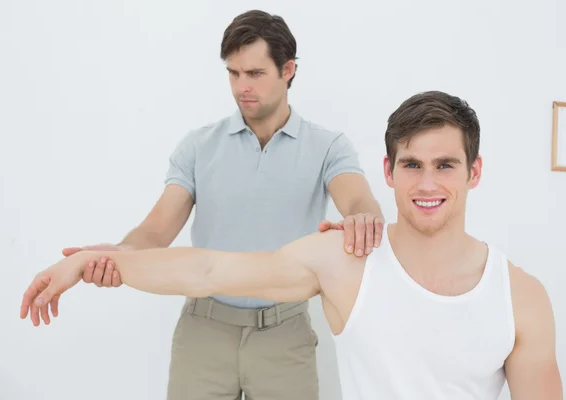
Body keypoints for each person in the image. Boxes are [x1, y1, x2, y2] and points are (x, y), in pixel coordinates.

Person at [22, 90, 563, 400]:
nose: (427, 184)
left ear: (475, 172)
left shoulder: (523, 296)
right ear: (389, 172)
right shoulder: (345, 262)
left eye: (445, 165)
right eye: (412, 165)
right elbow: (207, 271)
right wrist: (100, 260)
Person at [45, 9, 385, 400]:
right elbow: (155, 231)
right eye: (233, 73)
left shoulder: (328, 146)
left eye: (255, 73)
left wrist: (365, 218)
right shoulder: (198, 145)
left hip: (285, 334)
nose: (242, 86)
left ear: (288, 69)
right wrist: (119, 253)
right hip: (203, 331)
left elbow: (357, 198)